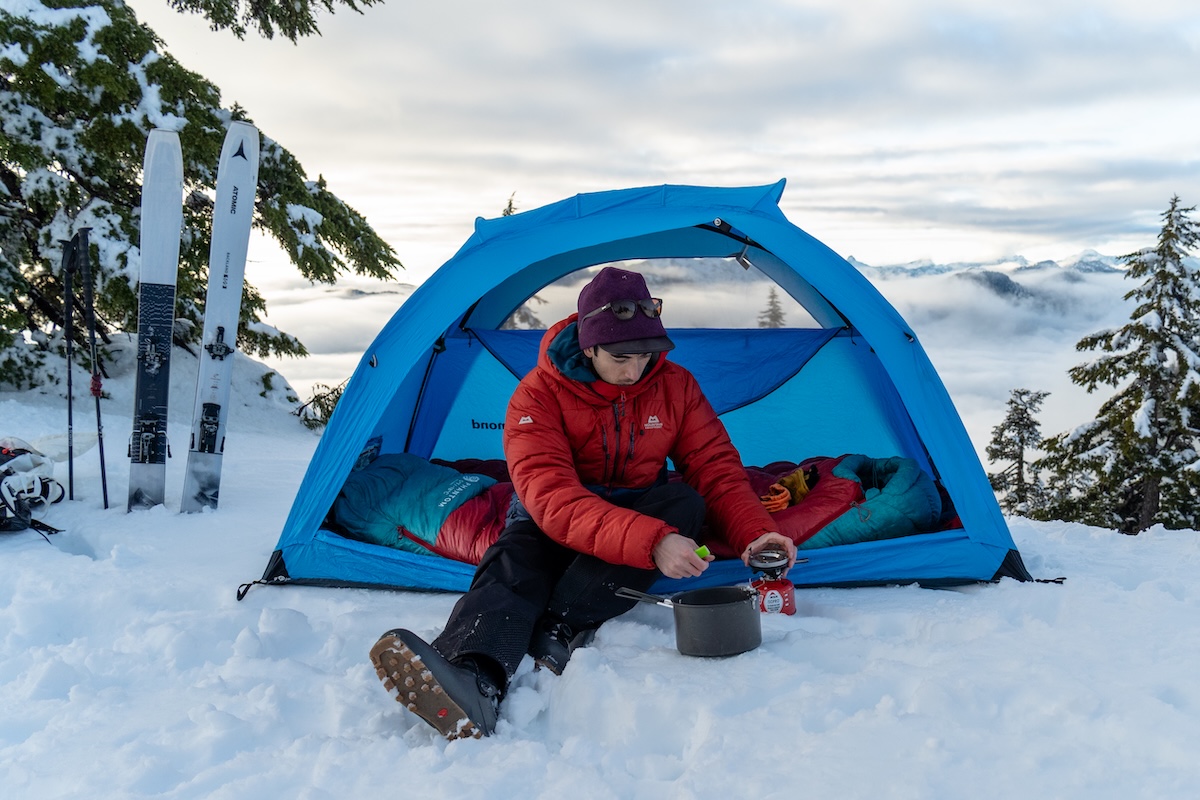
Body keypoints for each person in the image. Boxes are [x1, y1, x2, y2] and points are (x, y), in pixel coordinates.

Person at [369, 266, 797, 739]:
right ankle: (473, 678)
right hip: (555, 517)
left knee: (685, 507)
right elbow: (552, 500)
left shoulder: (675, 386)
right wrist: (651, 542)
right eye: (620, 357)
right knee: (515, 559)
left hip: (637, 509)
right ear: (589, 345)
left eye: (646, 354)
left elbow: (714, 467)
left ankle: (557, 624)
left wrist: (756, 533)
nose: (635, 371)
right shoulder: (536, 395)